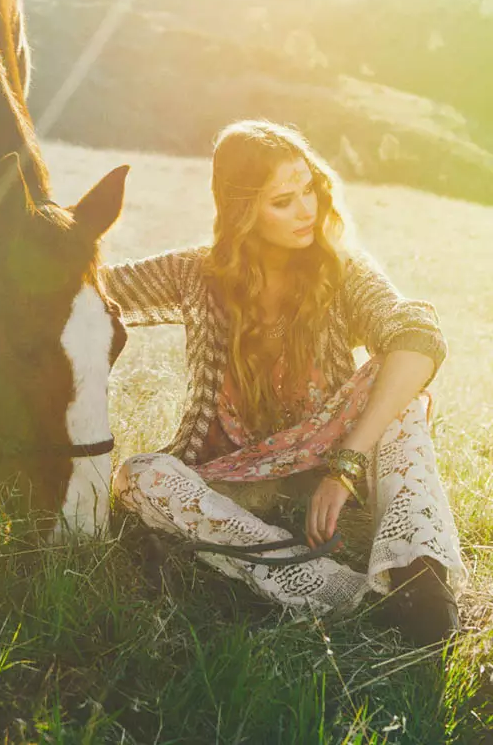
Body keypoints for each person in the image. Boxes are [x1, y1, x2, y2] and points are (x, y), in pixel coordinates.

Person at [104, 120, 464, 645]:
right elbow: (95, 281)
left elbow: (417, 335)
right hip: (235, 476)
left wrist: (345, 467)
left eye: (309, 190)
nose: (306, 211)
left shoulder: (341, 270)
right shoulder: (195, 273)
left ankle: (418, 577)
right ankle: (327, 586)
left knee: (403, 399)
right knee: (140, 475)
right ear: (243, 210)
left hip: (333, 462)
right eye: (282, 201)